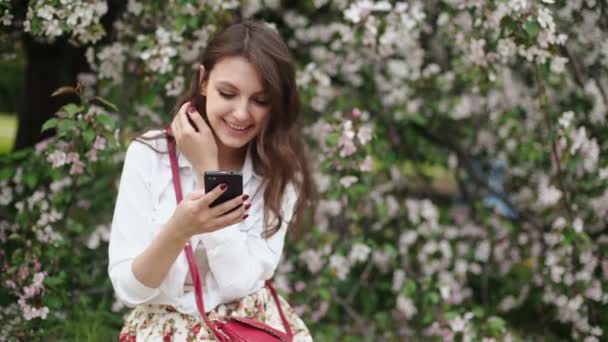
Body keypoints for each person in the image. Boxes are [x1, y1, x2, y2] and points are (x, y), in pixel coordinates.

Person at [108, 21, 315, 341]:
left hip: (245, 329)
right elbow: (129, 289)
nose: (241, 114)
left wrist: (209, 171)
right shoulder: (151, 155)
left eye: (260, 100)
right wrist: (180, 230)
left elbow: (238, 284)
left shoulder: (279, 172)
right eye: (228, 93)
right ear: (203, 81)